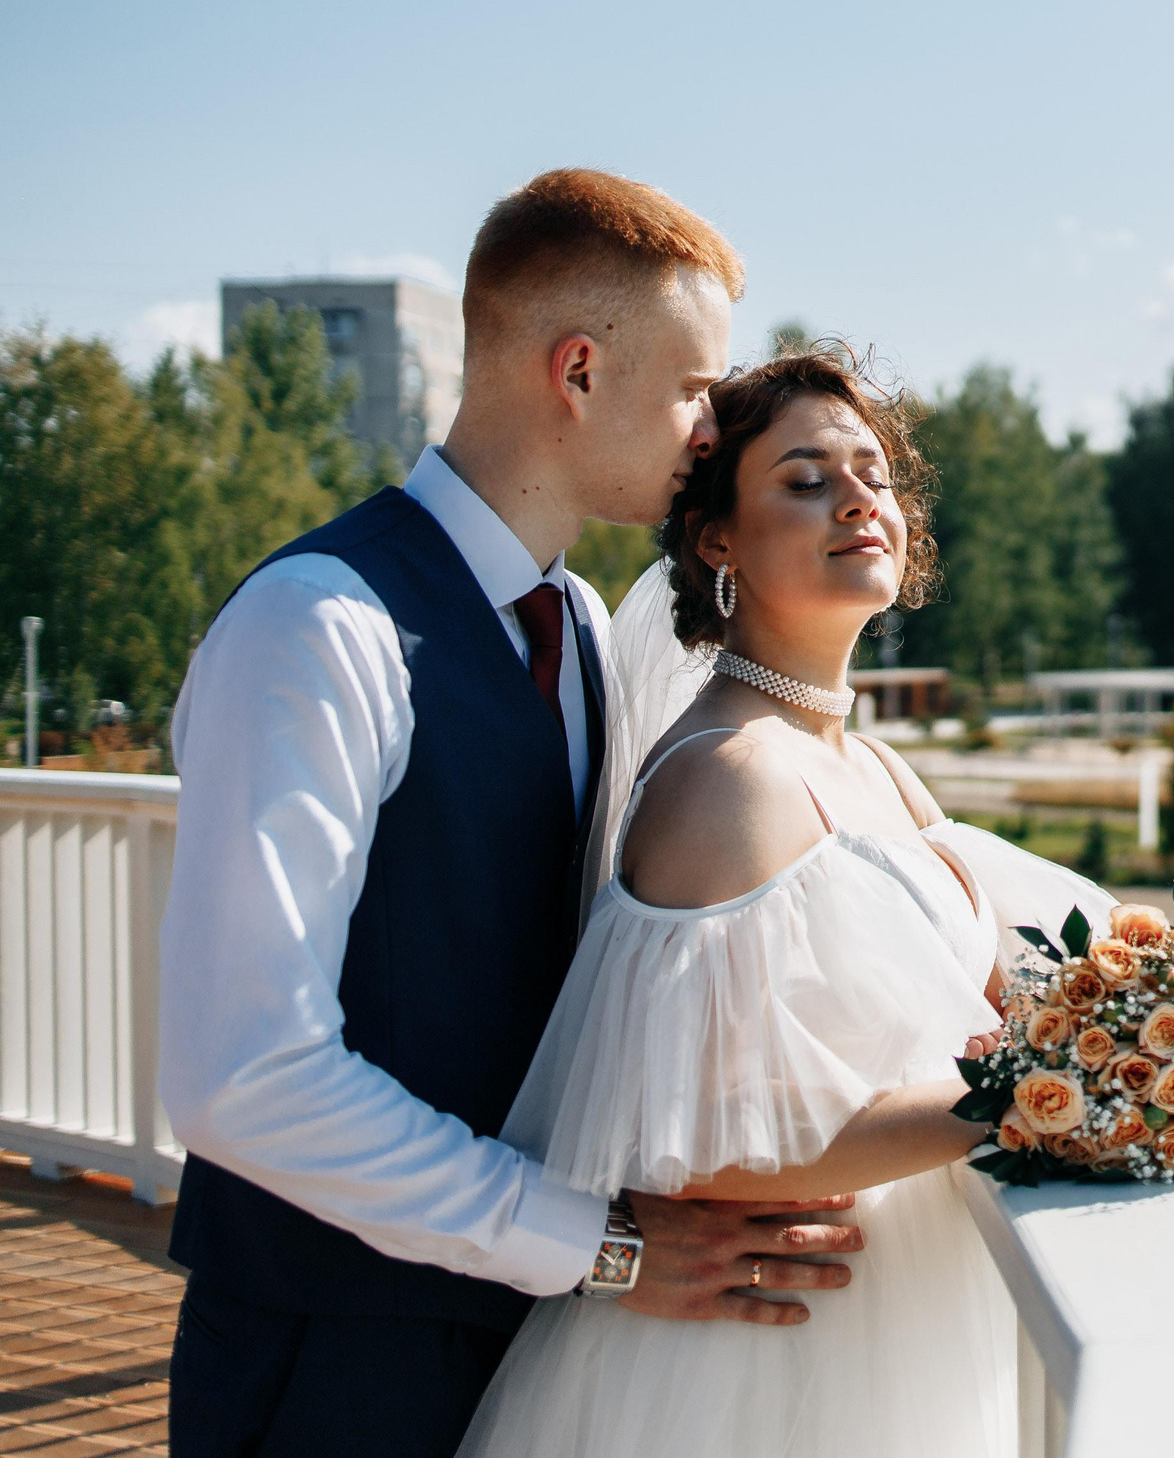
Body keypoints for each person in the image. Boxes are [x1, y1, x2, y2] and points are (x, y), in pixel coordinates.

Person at [160, 171, 866, 1458]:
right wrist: (589, 1246)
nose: (711, 428)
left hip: (526, 1343)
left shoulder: (584, 631)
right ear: (580, 370)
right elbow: (243, 1078)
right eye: (694, 388)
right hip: (331, 1359)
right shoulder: (319, 624)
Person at [456, 347, 1114, 1456]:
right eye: (806, 479)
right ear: (718, 539)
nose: (860, 499)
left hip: (891, 1317)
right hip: (762, 1355)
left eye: (874, 474)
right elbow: (689, 1143)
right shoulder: (730, 780)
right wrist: (1031, 1096)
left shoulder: (870, 768)